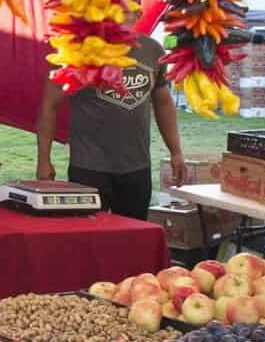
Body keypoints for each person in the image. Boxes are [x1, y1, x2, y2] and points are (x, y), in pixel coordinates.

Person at [34, 25, 186, 219]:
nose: (119, 16)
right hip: (88, 168)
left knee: (133, 236)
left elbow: (163, 102)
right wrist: (44, 160)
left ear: (137, 14)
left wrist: (176, 152)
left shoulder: (152, 50)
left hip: (137, 167)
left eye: (127, 10)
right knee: (89, 238)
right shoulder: (76, 50)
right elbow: (49, 106)